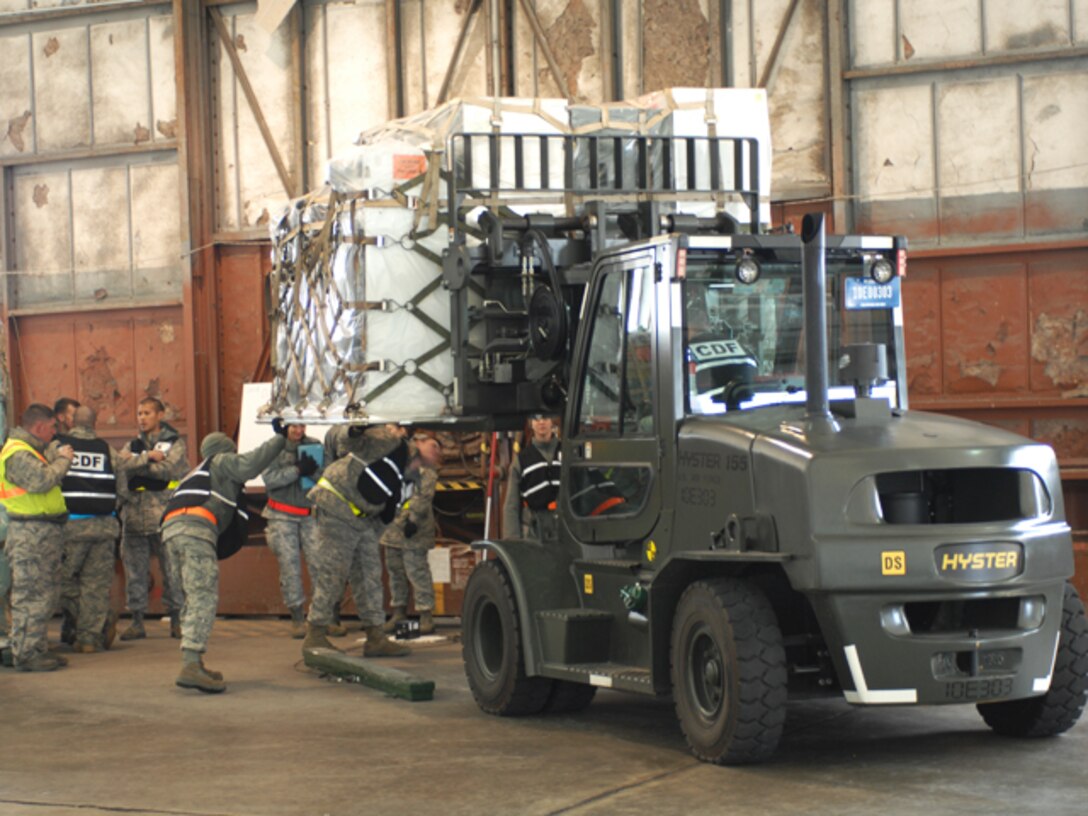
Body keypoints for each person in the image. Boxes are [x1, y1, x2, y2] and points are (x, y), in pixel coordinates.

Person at [161, 424, 291, 693]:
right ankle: (191, 665)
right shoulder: (221, 461)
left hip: (171, 532)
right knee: (203, 595)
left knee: (190, 596)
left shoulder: (194, 473)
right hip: (196, 528)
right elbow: (250, 464)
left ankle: (194, 660)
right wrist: (281, 438)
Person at [303, 424, 410, 658]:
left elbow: (389, 505)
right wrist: (354, 430)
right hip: (336, 504)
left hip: (363, 518)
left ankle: (375, 637)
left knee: (369, 575)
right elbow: (345, 441)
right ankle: (315, 634)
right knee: (334, 571)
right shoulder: (383, 436)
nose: (436, 454)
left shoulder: (406, 463)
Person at [0, 404, 74, 671]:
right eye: (53, 427)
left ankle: (37, 647)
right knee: (30, 594)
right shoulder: (17, 454)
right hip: (29, 535)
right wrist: (63, 460)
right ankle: (27, 653)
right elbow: (42, 481)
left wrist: (55, 454)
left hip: (41, 533)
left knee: (44, 594)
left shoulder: (32, 451)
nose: (55, 432)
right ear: (40, 427)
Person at [51, 406, 121, 653]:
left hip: (72, 527)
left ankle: (93, 622)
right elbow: (121, 488)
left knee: (58, 582)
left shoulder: (58, 446)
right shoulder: (107, 450)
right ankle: (89, 639)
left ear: (71, 422)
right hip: (105, 527)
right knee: (96, 585)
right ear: (95, 422)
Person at [116, 397, 187, 641]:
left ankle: (177, 620)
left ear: (160, 414)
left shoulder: (174, 443)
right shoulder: (132, 444)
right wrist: (148, 458)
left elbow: (170, 470)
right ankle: (137, 622)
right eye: (139, 413)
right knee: (134, 572)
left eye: (147, 413)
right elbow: (120, 467)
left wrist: (137, 466)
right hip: (134, 517)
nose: (142, 418)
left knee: (172, 570)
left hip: (164, 515)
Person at [260, 423, 321, 638]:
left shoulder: (314, 446)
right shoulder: (272, 449)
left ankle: (321, 618)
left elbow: (324, 478)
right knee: (289, 568)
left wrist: (312, 472)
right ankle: (297, 618)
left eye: (302, 425)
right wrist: (297, 470)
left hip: (309, 514)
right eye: (294, 426)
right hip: (281, 515)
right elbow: (270, 479)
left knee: (320, 566)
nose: (298, 431)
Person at [381, 437, 442, 635]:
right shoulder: (398, 466)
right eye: (426, 444)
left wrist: (413, 520)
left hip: (413, 531)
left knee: (417, 572)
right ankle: (398, 612)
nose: (431, 449)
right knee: (395, 572)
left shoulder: (427, 473)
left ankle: (425, 614)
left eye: (435, 447)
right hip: (392, 530)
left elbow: (422, 497)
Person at [502, 414, 561, 542]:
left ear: (552, 421)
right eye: (536, 419)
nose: (541, 422)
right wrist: (513, 542)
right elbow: (511, 505)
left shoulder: (567, 453)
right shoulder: (522, 461)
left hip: (565, 530)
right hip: (535, 534)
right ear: (531, 423)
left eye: (545, 418)